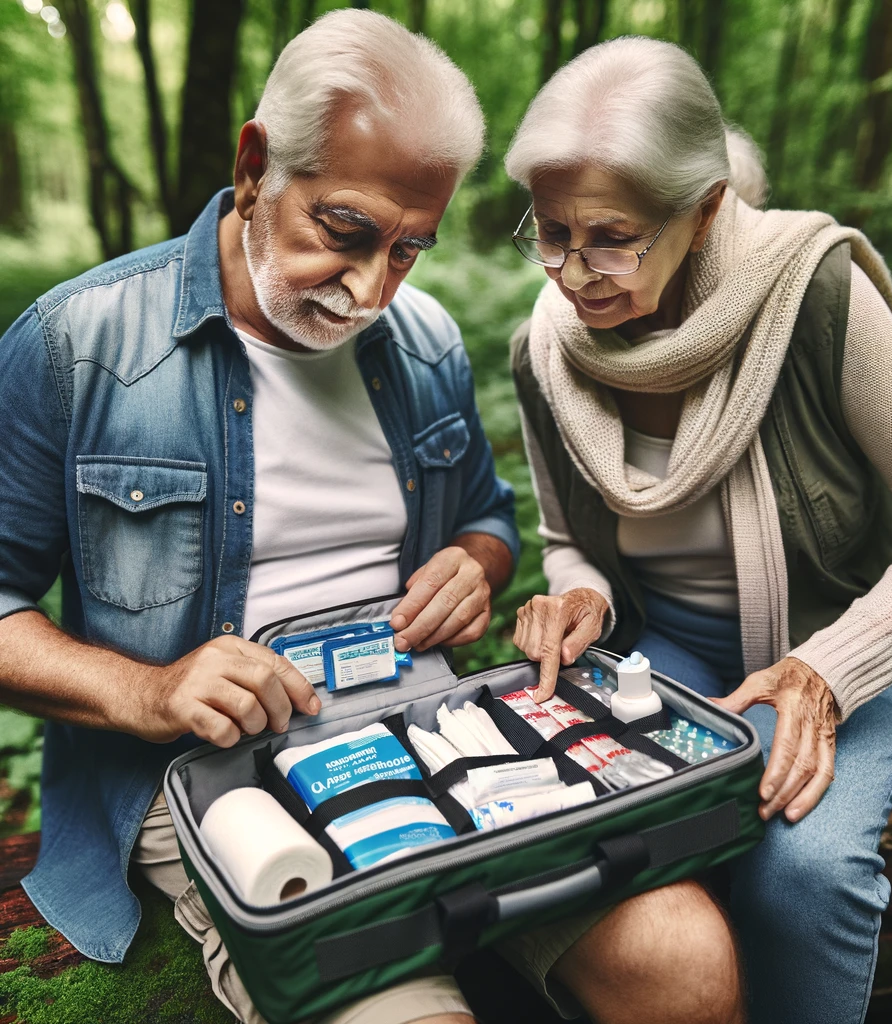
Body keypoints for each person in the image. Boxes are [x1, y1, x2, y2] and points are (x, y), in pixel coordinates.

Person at [0, 14, 743, 1024]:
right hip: (220, 775)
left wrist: (475, 564)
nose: (367, 290)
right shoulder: (75, 348)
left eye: (407, 250)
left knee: (686, 962)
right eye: (344, 232)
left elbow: (485, 518)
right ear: (255, 164)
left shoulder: (424, 340)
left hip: (438, 725)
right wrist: (152, 688)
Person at [505, 35, 892, 1024]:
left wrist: (827, 672)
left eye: (611, 236)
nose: (574, 273)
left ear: (702, 210)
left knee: (800, 866)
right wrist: (578, 595)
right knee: (574, 823)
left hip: (856, 638)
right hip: (677, 648)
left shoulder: (813, 291)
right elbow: (569, 536)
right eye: (550, 232)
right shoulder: (547, 350)